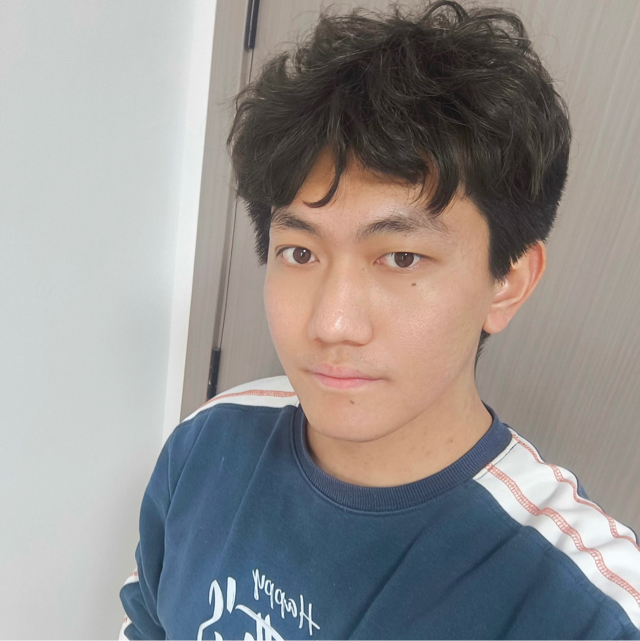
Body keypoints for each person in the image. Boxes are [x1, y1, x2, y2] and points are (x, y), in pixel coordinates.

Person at [119, 1, 640, 639]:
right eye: (300, 253)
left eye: (401, 257)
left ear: (508, 281)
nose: (333, 323)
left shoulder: (583, 608)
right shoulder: (210, 442)